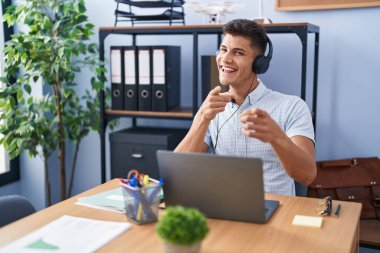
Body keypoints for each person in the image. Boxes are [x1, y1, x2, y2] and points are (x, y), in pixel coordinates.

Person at [175, 19, 316, 196]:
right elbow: (177, 170)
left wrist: (276, 137)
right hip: (225, 209)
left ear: (259, 64)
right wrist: (202, 118)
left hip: (275, 211)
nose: (225, 59)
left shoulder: (293, 106)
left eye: (238, 52)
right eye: (223, 49)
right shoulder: (212, 108)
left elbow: (307, 175)